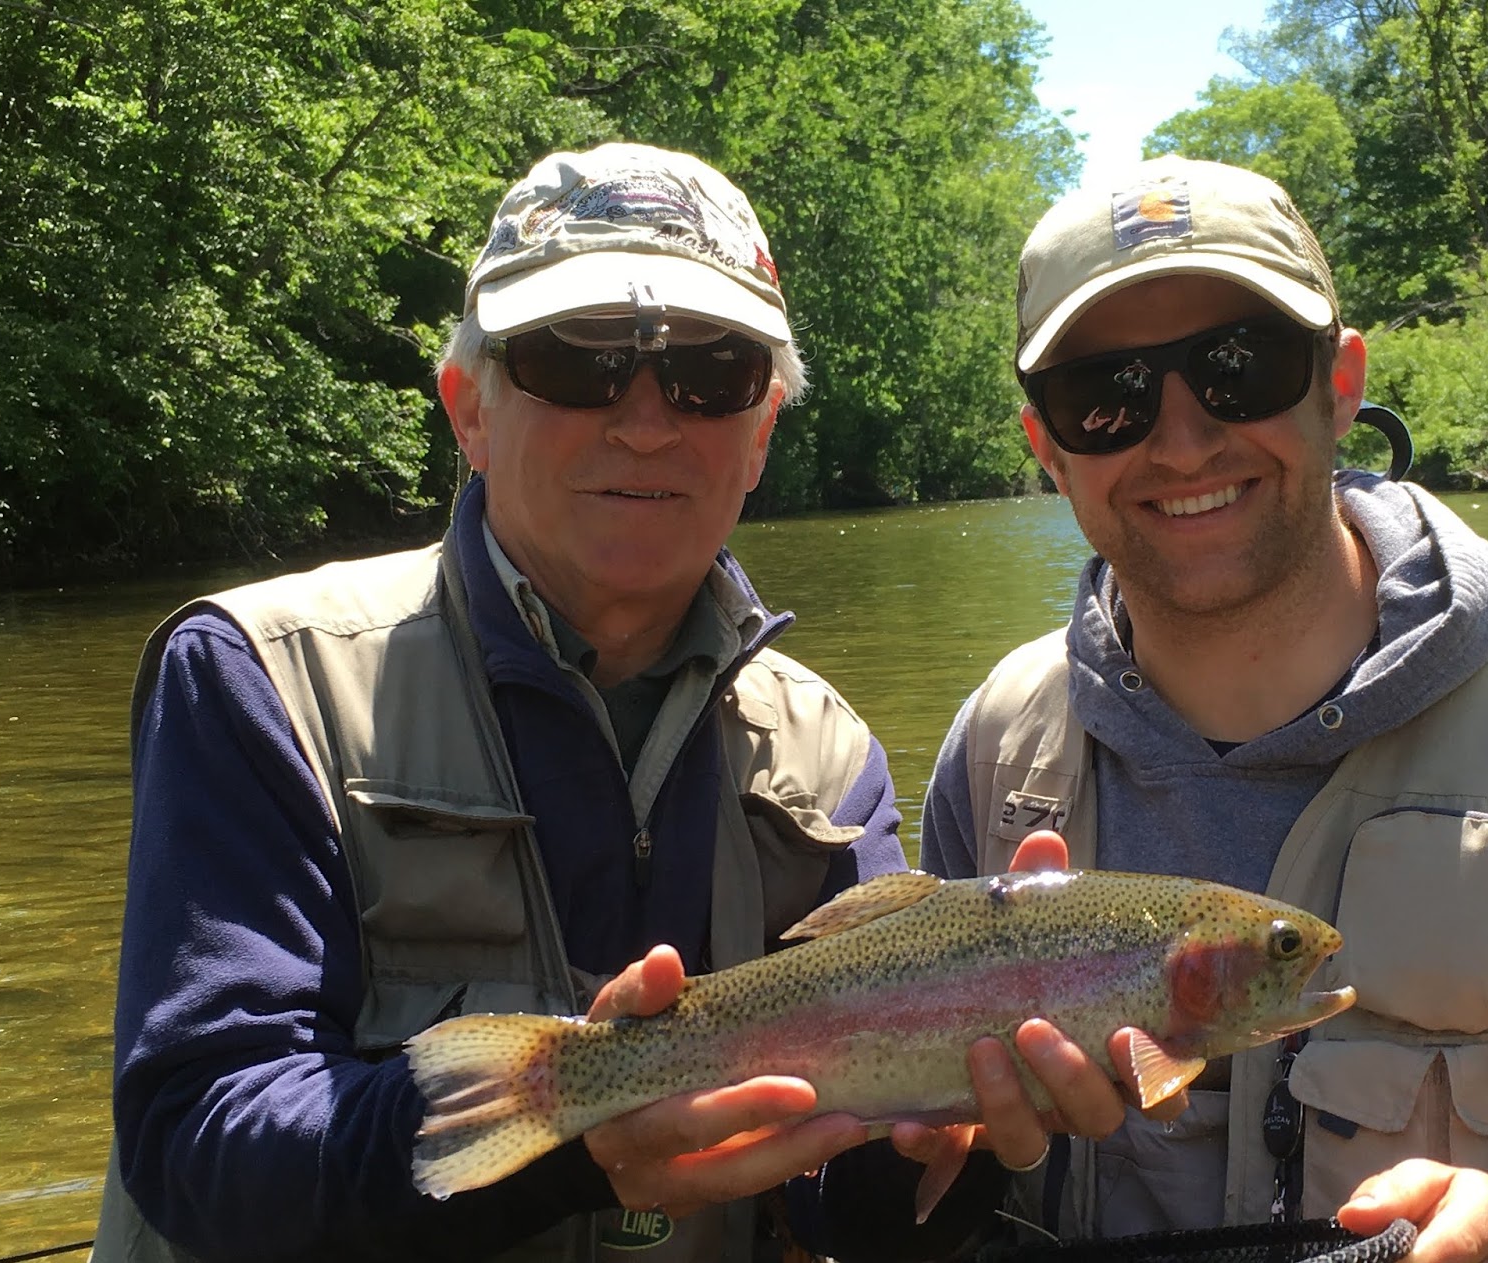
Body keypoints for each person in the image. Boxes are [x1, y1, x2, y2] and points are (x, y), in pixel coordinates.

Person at [91, 142, 1026, 1263]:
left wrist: (960, 1141)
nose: (644, 421)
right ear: (467, 410)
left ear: (761, 434)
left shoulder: (824, 755)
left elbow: (845, 1214)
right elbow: (198, 1139)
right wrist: (575, 1132)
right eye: (576, 363)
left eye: (708, 373)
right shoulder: (262, 675)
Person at [921, 154, 1488, 1261]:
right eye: (1106, 397)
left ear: (1341, 382)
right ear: (1047, 450)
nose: (1181, 441)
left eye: (1242, 366)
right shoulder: (998, 747)